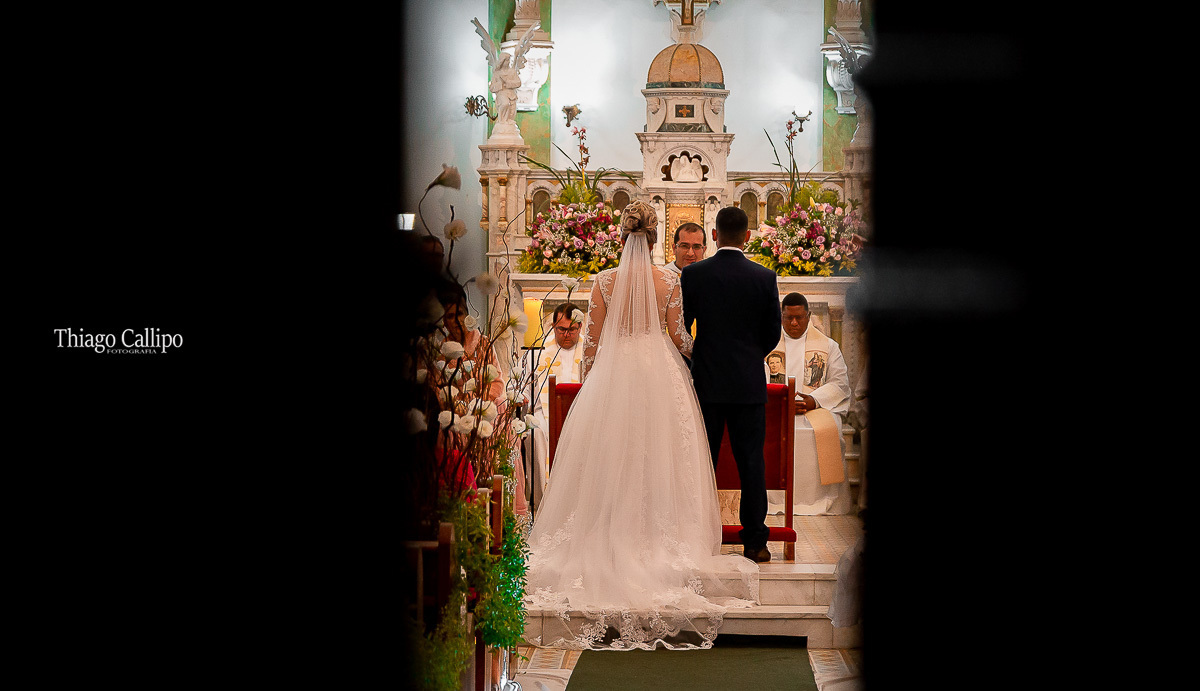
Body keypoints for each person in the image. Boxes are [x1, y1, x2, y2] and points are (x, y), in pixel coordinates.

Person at [524, 200, 759, 651]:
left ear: (623, 236)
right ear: (655, 241)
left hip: (615, 375)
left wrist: (593, 387)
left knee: (611, 457)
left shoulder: (604, 282)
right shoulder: (668, 280)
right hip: (659, 375)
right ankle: (657, 535)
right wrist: (702, 357)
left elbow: (592, 342)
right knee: (661, 457)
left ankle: (608, 532)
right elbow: (678, 335)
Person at [682, 206, 782, 564]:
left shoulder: (693, 275)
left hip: (706, 381)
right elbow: (773, 332)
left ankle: (699, 537)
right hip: (747, 384)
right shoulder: (764, 276)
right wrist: (748, 356)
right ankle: (755, 541)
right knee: (751, 463)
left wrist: (702, 357)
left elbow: (684, 326)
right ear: (748, 237)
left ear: (713, 235)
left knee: (702, 461)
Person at [775, 292, 853, 516]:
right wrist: (780, 400)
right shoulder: (768, 346)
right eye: (788, 318)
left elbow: (840, 383)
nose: (794, 323)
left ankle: (821, 499)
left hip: (814, 410)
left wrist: (814, 400)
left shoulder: (828, 346)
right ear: (781, 317)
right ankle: (774, 499)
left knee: (832, 430)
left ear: (809, 316)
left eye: (799, 317)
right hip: (778, 409)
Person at [522, 302, 585, 509]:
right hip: (544, 415)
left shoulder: (592, 352)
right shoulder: (536, 354)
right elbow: (521, 387)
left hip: (584, 413)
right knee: (533, 433)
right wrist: (521, 399)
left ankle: (585, 504)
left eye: (572, 329)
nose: (567, 335)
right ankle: (543, 504)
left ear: (581, 327)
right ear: (553, 327)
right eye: (561, 329)